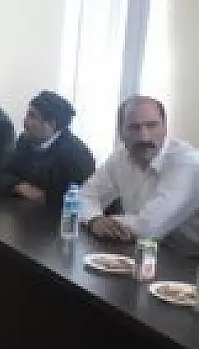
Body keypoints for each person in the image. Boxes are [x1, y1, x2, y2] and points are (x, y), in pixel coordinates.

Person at [81, 96, 199, 255]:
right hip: (143, 250)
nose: (144, 137)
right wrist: (94, 219)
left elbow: (149, 227)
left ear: (165, 127)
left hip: (188, 259)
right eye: (134, 127)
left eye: (152, 125)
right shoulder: (120, 157)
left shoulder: (187, 162)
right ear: (120, 132)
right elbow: (84, 196)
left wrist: (107, 223)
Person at [0, 90, 95, 206]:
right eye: (27, 114)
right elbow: (1, 175)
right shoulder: (24, 140)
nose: (25, 121)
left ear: (52, 124)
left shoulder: (78, 156)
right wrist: (19, 185)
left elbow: (77, 199)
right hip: (20, 211)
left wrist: (46, 197)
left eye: (32, 116)